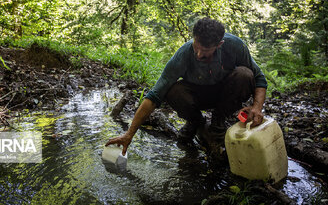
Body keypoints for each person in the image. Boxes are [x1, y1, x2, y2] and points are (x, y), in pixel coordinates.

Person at [106, 17, 267, 155]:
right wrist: (129, 134)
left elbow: (259, 78)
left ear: (219, 44)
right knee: (173, 90)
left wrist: (256, 107)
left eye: (205, 51)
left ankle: (218, 123)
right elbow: (154, 95)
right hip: (197, 95)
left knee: (245, 74)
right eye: (196, 46)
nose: (198, 54)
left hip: (225, 94)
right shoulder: (183, 54)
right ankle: (195, 122)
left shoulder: (234, 46)